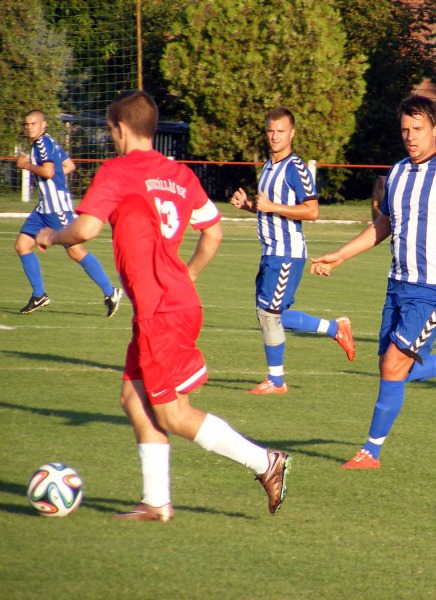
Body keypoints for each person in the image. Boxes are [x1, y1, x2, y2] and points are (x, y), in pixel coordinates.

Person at [35, 91, 291, 520]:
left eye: (111, 130)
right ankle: (156, 502)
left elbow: (85, 229)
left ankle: (266, 462)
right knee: (134, 400)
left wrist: (51, 236)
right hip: (170, 302)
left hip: (162, 311)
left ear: (118, 128)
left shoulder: (117, 171)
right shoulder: (180, 174)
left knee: (173, 413)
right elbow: (213, 232)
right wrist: (187, 274)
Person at [310, 95, 436, 469]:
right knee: (393, 365)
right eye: (405, 130)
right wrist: (341, 255)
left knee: (394, 365)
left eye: (418, 129)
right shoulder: (397, 172)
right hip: (398, 284)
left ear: (435, 129)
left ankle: (371, 452)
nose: (410, 137)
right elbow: (384, 224)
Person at [230, 107, 355, 395]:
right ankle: (336, 330)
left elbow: (312, 211)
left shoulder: (295, 167)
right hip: (269, 251)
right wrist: (249, 206)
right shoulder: (269, 166)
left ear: (292, 133)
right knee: (271, 314)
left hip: (287, 252)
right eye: (271, 131)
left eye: (281, 131)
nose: (275, 136)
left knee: (269, 313)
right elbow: (269, 210)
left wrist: (271, 206)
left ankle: (276, 381)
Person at [15, 110, 122, 316]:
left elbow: (48, 171)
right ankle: (39, 295)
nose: (29, 127)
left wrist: (26, 165)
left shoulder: (42, 144)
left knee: (75, 250)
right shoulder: (47, 142)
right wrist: (54, 178)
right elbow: (69, 166)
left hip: (57, 209)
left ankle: (111, 293)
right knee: (22, 245)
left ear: (43, 124)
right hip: (43, 208)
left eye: (33, 123)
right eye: (27, 124)